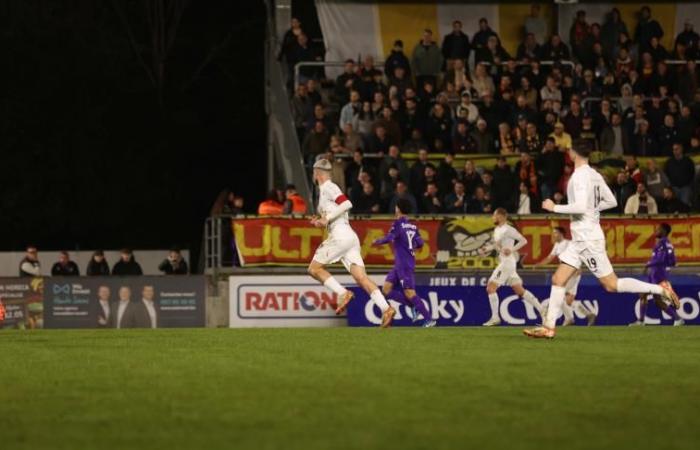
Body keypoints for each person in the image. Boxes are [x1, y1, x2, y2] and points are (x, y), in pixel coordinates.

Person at [524, 140, 679, 339]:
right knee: (558, 279)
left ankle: (660, 288)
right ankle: (549, 327)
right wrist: (592, 209)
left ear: (573, 153)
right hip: (580, 238)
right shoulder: (594, 174)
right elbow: (611, 201)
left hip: (587, 238)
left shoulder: (579, 176)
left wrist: (555, 207)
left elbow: (580, 207)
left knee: (611, 285)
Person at [307, 159, 395, 328]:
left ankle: (342, 292)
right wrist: (321, 222)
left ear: (317, 173)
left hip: (340, 236)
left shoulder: (329, 187)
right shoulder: (325, 190)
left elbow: (347, 203)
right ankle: (386, 308)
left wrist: (327, 218)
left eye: (313, 172)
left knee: (313, 269)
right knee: (361, 278)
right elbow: (334, 213)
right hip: (349, 237)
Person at [372, 199, 435, 328]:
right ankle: (414, 306)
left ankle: (429, 319)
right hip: (402, 263)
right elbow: (421, 243)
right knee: (386, 289)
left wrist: (376, 241)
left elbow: (390, 238)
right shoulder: (413, 227)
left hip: (404, 264)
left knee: (409, 293)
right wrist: (409, 247)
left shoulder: (397, 224)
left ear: (398, 209)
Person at [479, 208, 544, 326]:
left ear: (501, 216)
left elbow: (523, 241)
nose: (493, 218)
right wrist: (486, 249)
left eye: (494, 215)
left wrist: (512, 249)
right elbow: (497, 245)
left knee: (490, 288)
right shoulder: (497, 230)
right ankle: (543, 311)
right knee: (519, 290)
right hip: (506, 263)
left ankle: (495, 317)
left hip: (507, 263)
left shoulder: (509, 229)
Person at [535, 227, 597, 326]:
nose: (553, 235)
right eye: (553, 233)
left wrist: (579, 267)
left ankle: (567, 319)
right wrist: (539, 264)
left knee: (559, 294)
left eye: (555, 233)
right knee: (568, 301)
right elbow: (550, 257)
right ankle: (587, 315)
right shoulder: (557, 245)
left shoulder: (568, 243)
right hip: (566, 273)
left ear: (561, 233)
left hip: (572, 272)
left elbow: (578, 254)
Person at [630, 223, 683, 327]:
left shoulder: (662, 243)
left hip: (658, 275)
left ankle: (641, 321)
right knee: (655, 300)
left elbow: (661, 259)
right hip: (657, 274)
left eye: (658, 229)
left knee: (645, 295)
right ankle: (677, 319)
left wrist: (648, 264)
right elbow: (673, 261)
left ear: (663, 231)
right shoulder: (668, 244)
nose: (656, 231)